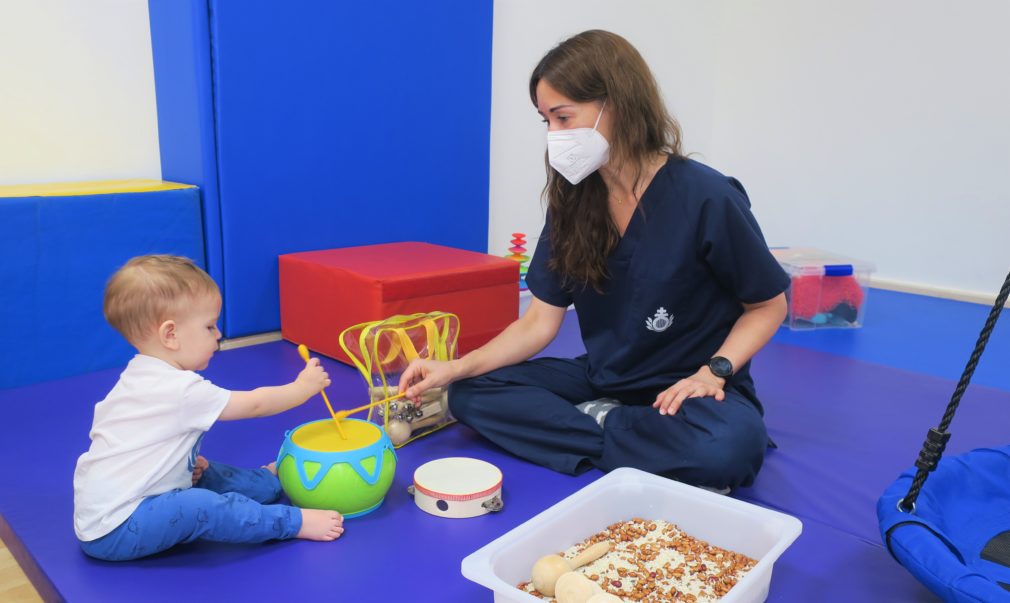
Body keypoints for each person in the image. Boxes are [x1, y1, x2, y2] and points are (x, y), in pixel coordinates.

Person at [399, 30, 789, 491]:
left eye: (564, 117)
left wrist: (715, 371)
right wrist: (457, 366)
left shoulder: (706, 196)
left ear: (617, 103)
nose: (553, 136)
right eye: (545, 121)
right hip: (605, 380)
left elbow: (768, 305)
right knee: (471, 394)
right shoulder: (574, 202)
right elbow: (538, 323)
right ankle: (625, 433)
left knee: (730, 448)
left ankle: (595, 431)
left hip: (692, 387)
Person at [74, 255, 344, 561]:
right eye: (209, 326)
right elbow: (255, 404)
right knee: (198, 506)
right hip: (117, 530)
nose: (218, 335)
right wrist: (302, 388)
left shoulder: (139, 375)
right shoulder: (178, 390)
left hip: (130, 502)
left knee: (202, 469)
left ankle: (266, 482)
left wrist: (176, 468)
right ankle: (290, 523)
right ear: (170, 335)